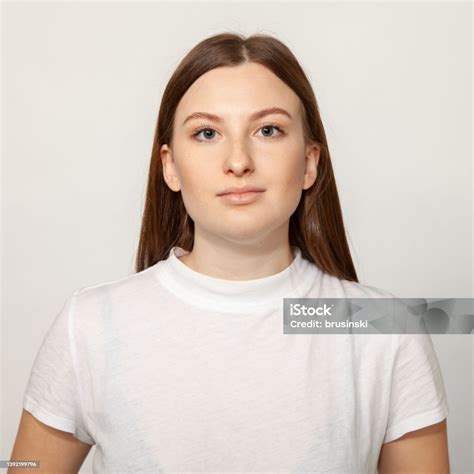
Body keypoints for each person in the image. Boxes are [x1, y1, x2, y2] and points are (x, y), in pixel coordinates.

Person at [10, 32, 450, 473]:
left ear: (310, 162)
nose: (238, 161)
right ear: (170, 165)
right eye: (206, 133)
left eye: (268, 130)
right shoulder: (88, 324)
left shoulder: (388, 329)